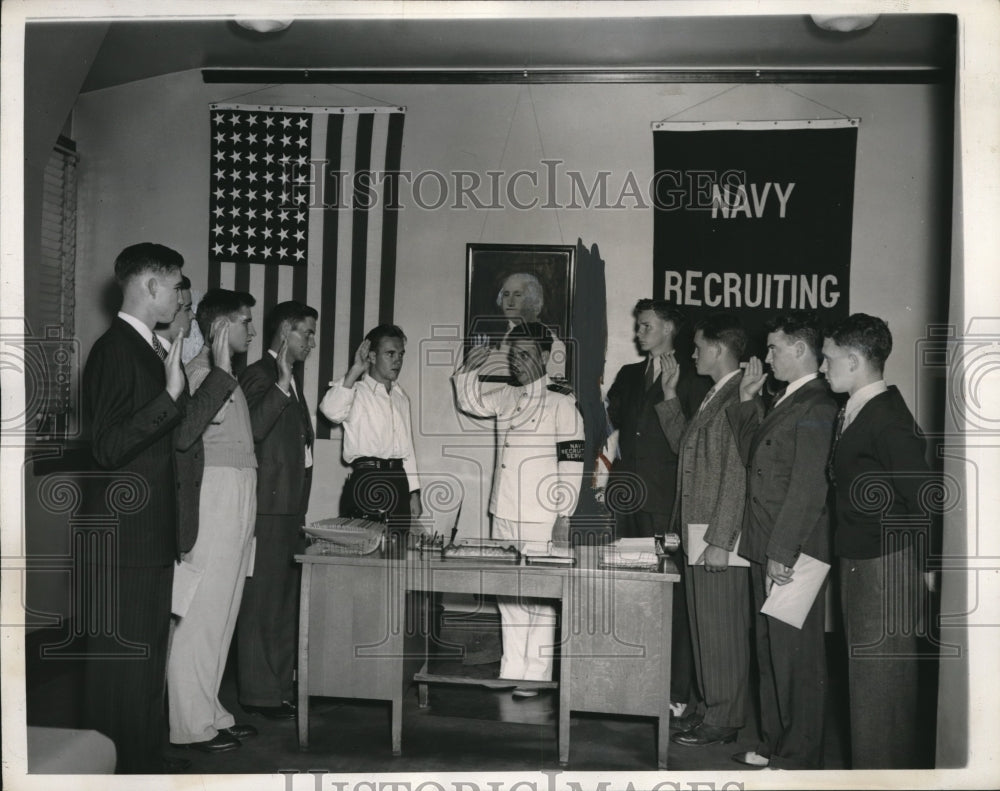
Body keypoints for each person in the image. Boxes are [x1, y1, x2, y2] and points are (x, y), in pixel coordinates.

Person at [82, 243, 234, 773]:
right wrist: (169, 396)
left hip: (149, 534)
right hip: (125, 541)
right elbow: (107, 447)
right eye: (175, 285)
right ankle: (116, 769)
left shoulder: (148, 348)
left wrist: (198, 382)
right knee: (124, 668)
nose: (180, 295)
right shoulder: (114, 349)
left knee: (146, 660)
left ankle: (142, 760)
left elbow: (172, 434)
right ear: (150, 285)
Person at [821, 313, 936, 768]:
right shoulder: (860, 409)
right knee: (867, 687)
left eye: (829, 359)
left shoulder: (887, 418)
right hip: (861, 559)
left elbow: (924, 498)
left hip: (884, 566)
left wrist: (923, 570)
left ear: (853, 361)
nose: (823, 367)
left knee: (881, 693)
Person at [726, 311, 837, 770]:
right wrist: (746, 401)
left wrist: (781, 552)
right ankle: (774, 744)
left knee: (795, 659)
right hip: (768, 541)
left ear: (800, 348)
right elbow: (756, 458)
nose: (766, 357)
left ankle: (798, 758)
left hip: (793, 549)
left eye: (774, 348)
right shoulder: (788, 398)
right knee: (771, 651)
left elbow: (808, 488)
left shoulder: (818, 404)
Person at [453, 322, 584, 695]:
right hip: (505, 510)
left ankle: (535, 676)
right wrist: (468, 370)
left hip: (542, 516)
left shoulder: (561, 401)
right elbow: (471, 402)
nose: (516, 362)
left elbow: (572, 462)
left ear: (544, 356)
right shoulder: (507, 396)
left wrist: (564, 515)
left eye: (525, 354)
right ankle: (512, 668)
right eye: (513, 355)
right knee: (508, 593)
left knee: (539, 598)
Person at [605, 298, 710, 716]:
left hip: (665, 505)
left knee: (670, 595)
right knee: (631, 588)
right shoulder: (629, 375)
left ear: (668, 329)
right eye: (639, 325)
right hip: (627, 503)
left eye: (646, 325)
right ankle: (634, 680)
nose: (639, 332)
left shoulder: (693, 377)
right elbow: (611, 425)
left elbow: (691, 444)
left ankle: (675, 691)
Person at [167, 289, 260, 753]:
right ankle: (188, 723)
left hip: (238, 492)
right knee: (202, 612)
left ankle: (210, 711)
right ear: (221, 327)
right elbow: (197, 426)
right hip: (216, 495)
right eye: (245, 321)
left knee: (224, 612)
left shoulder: (225, 374)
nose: (252, 330)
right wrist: (220, 365)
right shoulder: (201, 372)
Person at [656, 313, 751, 747]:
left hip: (715, 533)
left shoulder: (740, 395)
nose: (692, 354)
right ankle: (707, 708)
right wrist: (669, 395)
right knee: (703, 629)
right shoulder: (718, 393)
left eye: (697, 347)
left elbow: (737, 474)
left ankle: (724, 717)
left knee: (720, 629)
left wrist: (720, 540)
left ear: (717, 348)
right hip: (698, 529)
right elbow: (687, 448)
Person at [236, 300, 317, 720]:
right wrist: (282, 385)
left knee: (284, 602)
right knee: (262, 604)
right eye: (307, 332)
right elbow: (248, 430)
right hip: (267, 510)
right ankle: (258, 693)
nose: (312, 342)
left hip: (289, 509)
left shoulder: (288, 376)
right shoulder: (259, 374)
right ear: (285, 331)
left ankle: (278, 689)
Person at [319, 324, 422, 530]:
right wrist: (355, 370)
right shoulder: (355, 390)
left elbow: (407, 449)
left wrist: (414, 492)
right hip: (367, 481)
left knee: (398, 545)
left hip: (399, 480)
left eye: (401, 354)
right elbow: (330, 411)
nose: (398, 360)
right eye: (390, 354)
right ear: (372, 357)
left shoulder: (401, 397)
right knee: (365, 546)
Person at [473, 272, 568, 381]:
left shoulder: (554, 345)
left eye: (517, 295)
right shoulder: (501, 338)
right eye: (506, 294)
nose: (510, 302)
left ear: (532, 301)